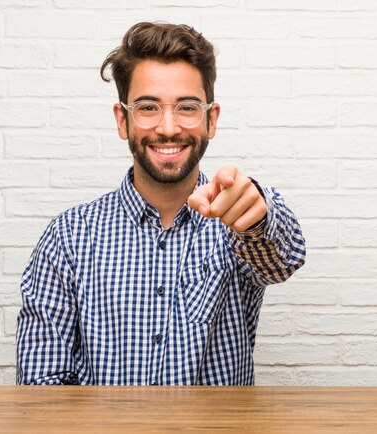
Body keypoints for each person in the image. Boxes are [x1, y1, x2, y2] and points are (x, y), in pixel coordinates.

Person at [16, 21, 306, 386]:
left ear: (210, 119)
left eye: (186, 107)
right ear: (123, 120)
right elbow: (42, 386)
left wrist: (256, 217)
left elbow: (284, 260)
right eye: (148, 107)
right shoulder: (68, 238)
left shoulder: (235, 222)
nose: (168, 127)